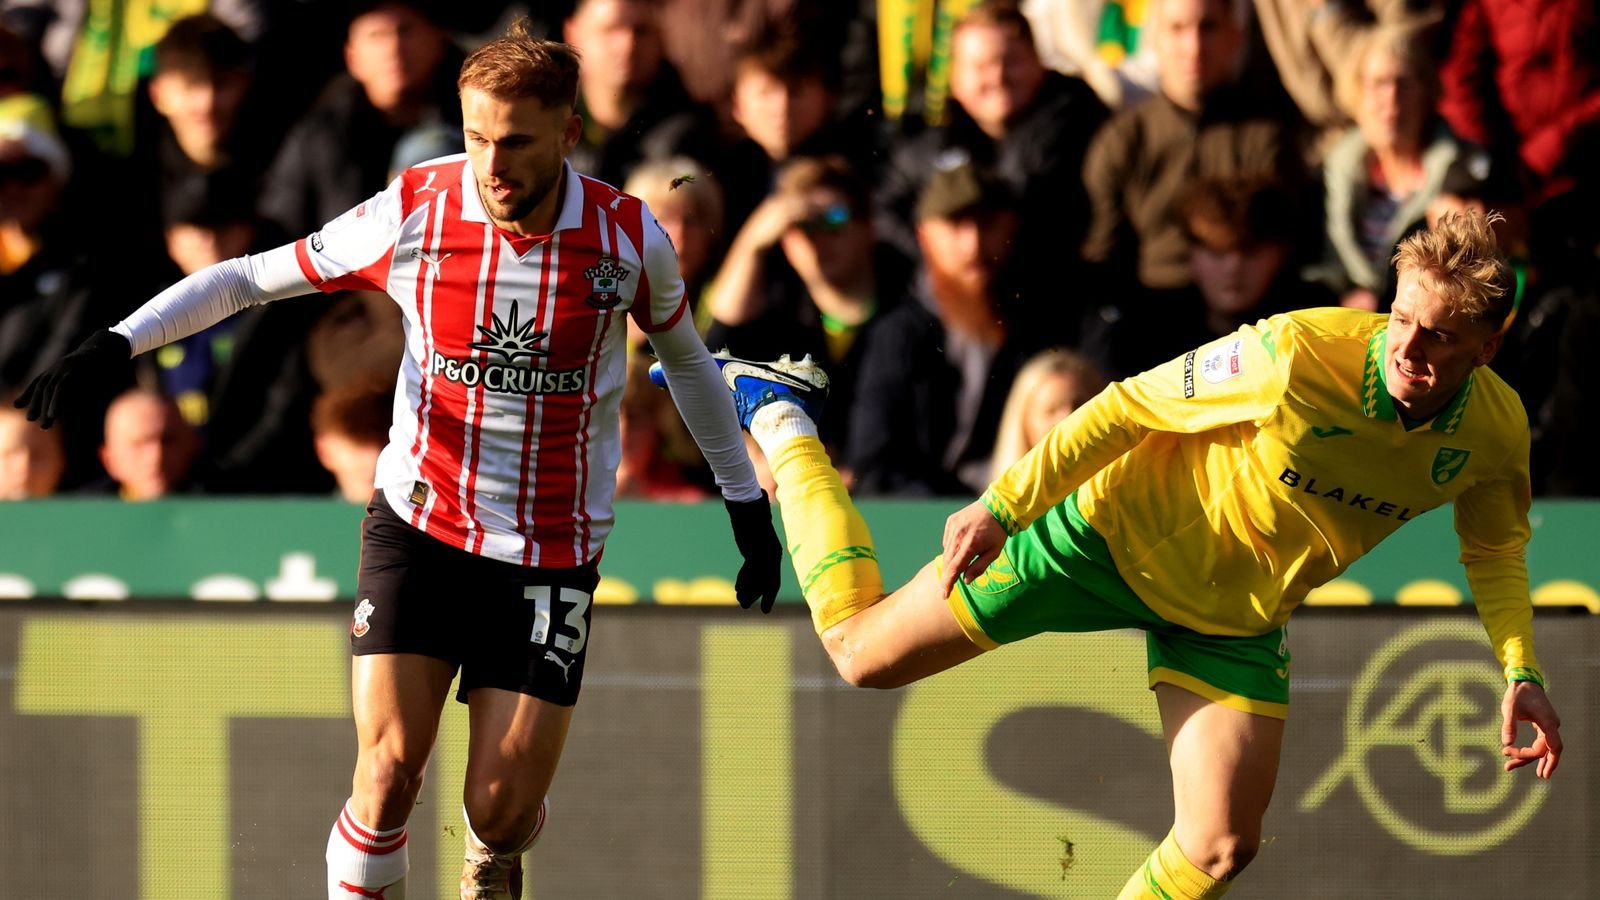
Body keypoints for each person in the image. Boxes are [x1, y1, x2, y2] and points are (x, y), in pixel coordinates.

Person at [15, 20, 781, 900]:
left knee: (496, 809)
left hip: (550, 551)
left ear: (569, 135)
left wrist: (743, 504)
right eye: (476, 138)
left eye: (518, 142)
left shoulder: (626, 238)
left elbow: (686, 363)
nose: (493, 166)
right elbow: (249, 277)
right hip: (421, 523)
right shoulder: (417, 208)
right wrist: (119, 342)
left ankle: (497, 850)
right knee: (385, 779)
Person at [654, 208, 1563, 898]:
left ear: (1488, 346)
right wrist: (1007, 505)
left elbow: (1494, 549)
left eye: (1439, 335)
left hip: (1232, 617)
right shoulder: (1297, 354)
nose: (1407, 346)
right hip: (1097, 538)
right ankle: (779, 413)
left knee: (1220, 847)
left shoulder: (1494, 432)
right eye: (1400, 318)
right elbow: (1126, 405)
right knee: (857, 656)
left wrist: (1519, 665)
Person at [987, 347, 1106, 479]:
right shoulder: (997, 498)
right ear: (1024, 424)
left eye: (1079, 405)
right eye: (1052, 410)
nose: (1067, 417)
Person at [96, 388, 200, 500]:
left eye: (167, 441)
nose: (156, 457)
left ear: (193, 445)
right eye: (139, 444)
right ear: (109, 460)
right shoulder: (85, 513)